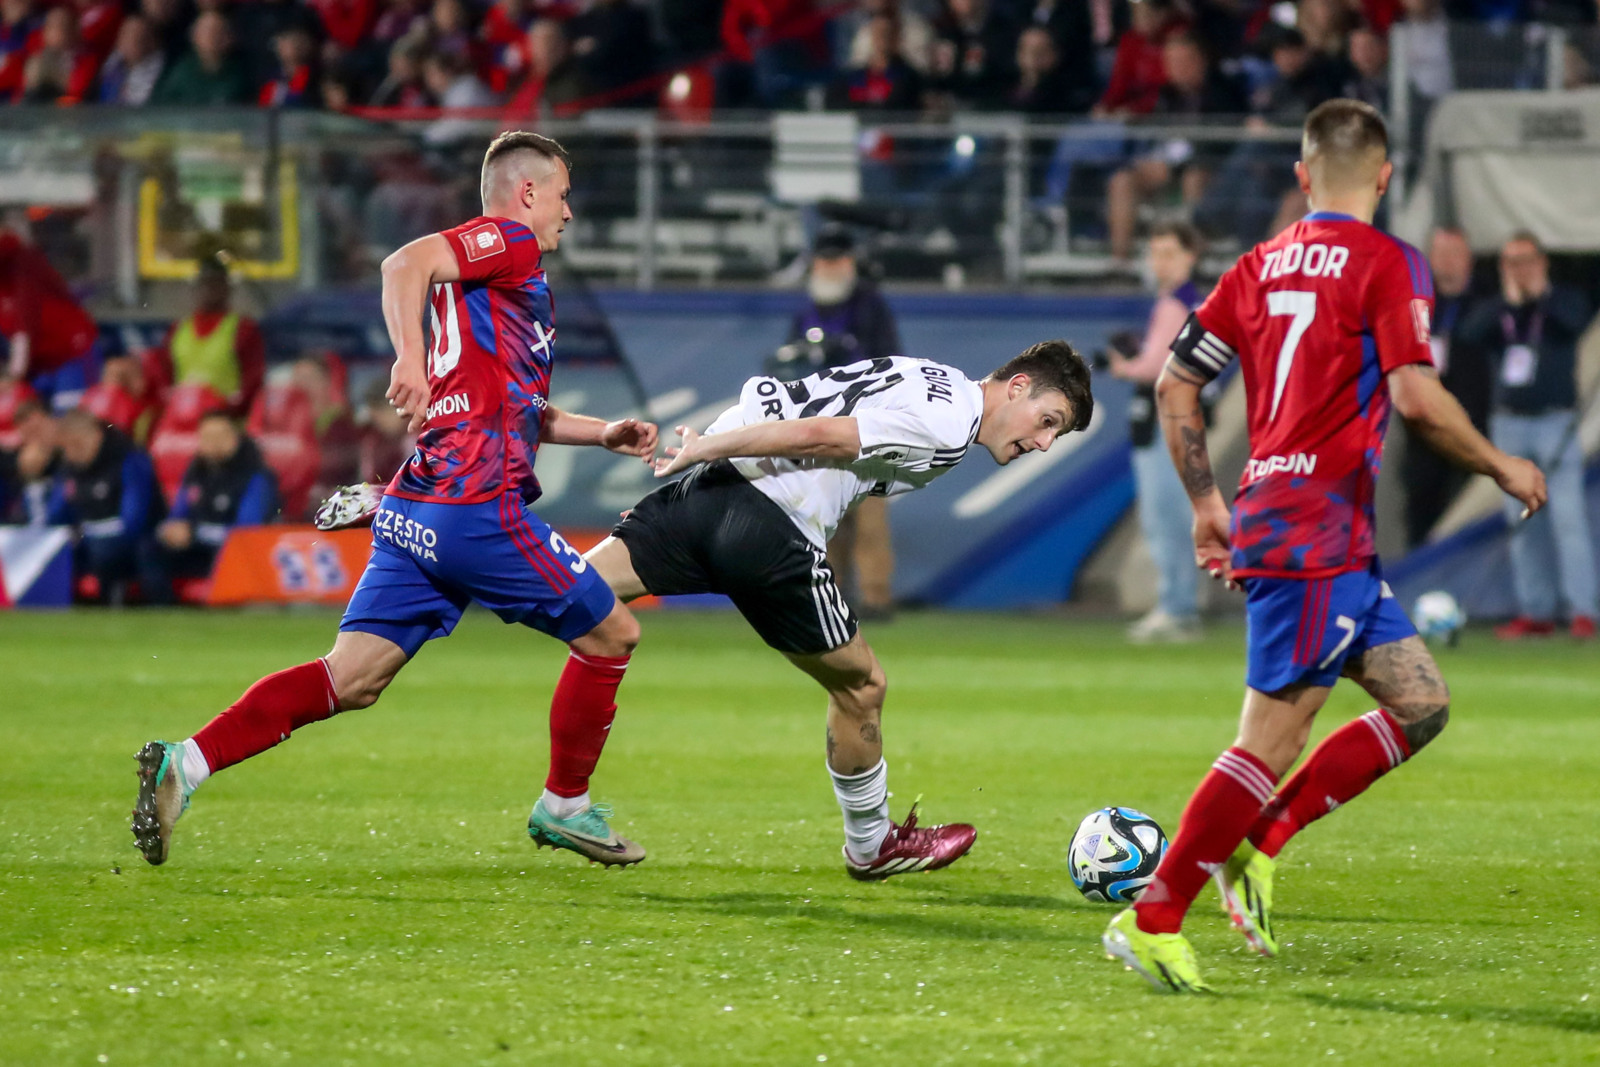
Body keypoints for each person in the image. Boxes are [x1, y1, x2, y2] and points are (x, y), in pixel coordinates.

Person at [1102, 99, 1547, 992]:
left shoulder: (1256, 265)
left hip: (1299, 525)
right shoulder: (1389, 261)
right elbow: (1418, 398)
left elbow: (1178, 384)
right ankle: (1152, 916)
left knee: (1421, 703)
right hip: (1314, 538)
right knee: (1269, 740)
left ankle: (1260, 842)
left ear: (1303, 176)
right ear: (1384, 177)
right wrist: (1502, 463)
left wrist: (1205, 504)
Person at [130, 132, 660, 871]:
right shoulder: (508, 241)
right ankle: (565, 804)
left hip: (419, 504)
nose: (569, 213)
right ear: (529, 193)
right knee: (613, 633)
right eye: (564, 195)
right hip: (477, 505)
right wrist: (407, 360)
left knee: (350, 678)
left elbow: (519, 408)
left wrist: (604, 432)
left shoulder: (507, 290)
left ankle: (184, 762)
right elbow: (402, 262)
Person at [585, 341, 1094, 878]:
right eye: (1047, 421)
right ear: (1016, 387)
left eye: (1053, 435)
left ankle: (561, 795)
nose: (1042, 442)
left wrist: (704, 465)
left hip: (711, 491)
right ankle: (872, 845)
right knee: (861, 686)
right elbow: (821, 434)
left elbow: (799, 403)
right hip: (771, 525)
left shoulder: (932, 375)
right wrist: (703, 451)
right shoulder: (948, 422)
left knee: (562, 587)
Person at [1459, 233, 1596, 641]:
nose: (1520, 270)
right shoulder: (1500, 311)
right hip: (1509, 424)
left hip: (1556, 423)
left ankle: (1582, 610)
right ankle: (1536, 608)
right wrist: (1512, 301)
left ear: (1541, 262)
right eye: (1511, 263)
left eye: (1526, 261)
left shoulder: (1563, 303)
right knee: (1521, 520)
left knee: (1568, 518)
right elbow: (1470, 333)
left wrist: (1539, 299)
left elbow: (1573, 322)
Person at [781, 224, 902, 618]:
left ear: (851, 262)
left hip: (866, 427)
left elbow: (891, 364)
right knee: (824, 515)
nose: (832, 266)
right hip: (818, 427)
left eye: (838, 259)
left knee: (869, 514)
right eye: (826, 259)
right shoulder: (807, 310)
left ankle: (875, 597)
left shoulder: (870, 306)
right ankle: (829, 597)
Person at [1107, 221, 1207, 643]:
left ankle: (1177, 606)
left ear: (1190, 257)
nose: (1160, 262)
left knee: (1166, 517)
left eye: (1169, 252)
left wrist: (1123, 366)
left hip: (1168, 420)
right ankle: (1179, 603)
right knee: (1171, 516)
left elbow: (1157, 368)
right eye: (1155, 253)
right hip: (1181, 420)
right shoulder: (1186, 302)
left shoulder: (1177, 304)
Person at [1401, 226, 1488, 546]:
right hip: (1423, 429)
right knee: (1420, 506)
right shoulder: (1414, 304)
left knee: (1467, 510)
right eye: (1441, 254)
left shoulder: (1486, 304)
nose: (1448, 262)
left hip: (1471, 428)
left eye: (1455, 254)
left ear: (1469, 260)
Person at [138, 409, 279, 604]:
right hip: (198, 547)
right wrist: (172, 529)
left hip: (232, 554)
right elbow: (179, 512)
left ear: (235, 438)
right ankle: (164, 611)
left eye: (220, 436)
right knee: (149, 549)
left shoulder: (255, 475)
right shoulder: (197, 471)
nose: (213, 443)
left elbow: (246, 531)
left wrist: (195, 533)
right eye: (206, 437)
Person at [46, 407, 165, 604]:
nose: (73, 453)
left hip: (136, 539)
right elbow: (56, 515)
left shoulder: (129, 459)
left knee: (130, 550)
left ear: (96, 436)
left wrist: (89, 535)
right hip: (91, 538)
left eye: (78, 444)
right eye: (67, 448)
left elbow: (134, 520)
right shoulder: (70, 468)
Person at [147, 257, 265, 418]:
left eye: (216, 283)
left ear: (227, 288)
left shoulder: (243, 329)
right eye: (204, 283)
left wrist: (231, 410)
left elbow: (253, 380)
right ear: (195, 288)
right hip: (182, 421)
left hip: (226, 422)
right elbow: (165, 376)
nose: (209, 289)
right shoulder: (179, 328)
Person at [0, 225, 101, 412]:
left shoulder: (22, 263)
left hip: (71, 352)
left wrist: (14, 375)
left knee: (71, 416)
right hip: (40, 363)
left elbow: (25, 322)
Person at [148, 10, 250, 107]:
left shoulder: (243, 71)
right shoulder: (182, 72)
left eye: (219, 32)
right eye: (207, 32)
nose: (213, 38)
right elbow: (162, 106)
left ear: (230, 38)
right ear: (195, 37)